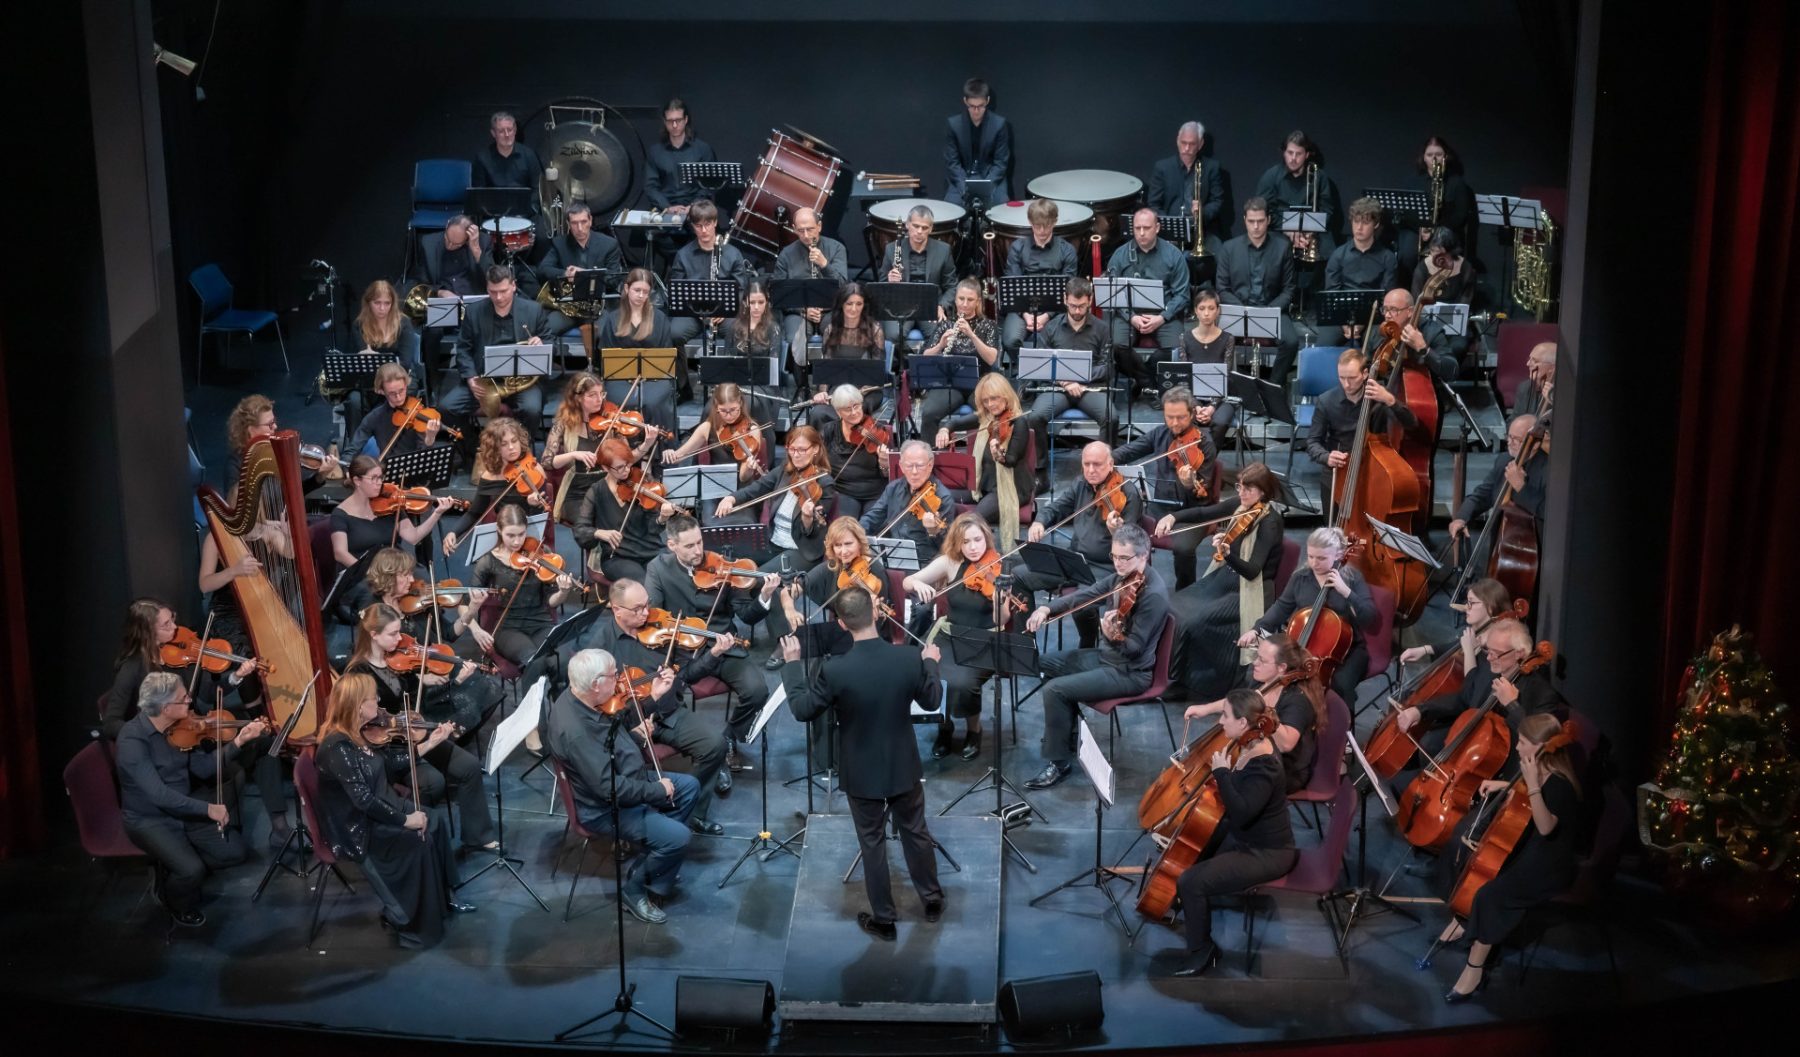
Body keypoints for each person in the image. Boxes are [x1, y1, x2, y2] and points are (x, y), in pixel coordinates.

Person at [780, 587, 946, 941]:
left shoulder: (835, 669)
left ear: (841, 624)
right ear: (876, 611)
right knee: (915, 833)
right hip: (902, 765)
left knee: (872, 844)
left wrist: (793, 666)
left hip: (861, 772)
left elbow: (802, 710)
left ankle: (884, 920)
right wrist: (930, 661)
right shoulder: (907, 658)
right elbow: (932, 701)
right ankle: (932, 901)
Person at [1436, 713, 1587, 1003]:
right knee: (1470, 857)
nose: (1518, 747)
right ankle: (1466, 922)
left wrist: (1530, 785)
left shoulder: (1560, 785)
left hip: (1549, 864)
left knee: (1491, 894)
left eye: (1525, 743)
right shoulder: (1536, 767)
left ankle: (1474, 968)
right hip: (1528, 848)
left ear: (1544, 747)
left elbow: (1545, 827)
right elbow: (1524, 798)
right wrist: (1502, 786)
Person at [314, 672, 467, 949]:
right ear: (360, 705)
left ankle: (442, 899)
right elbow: (362, 801)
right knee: (419, 840)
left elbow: (390, 764)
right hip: (360, 825)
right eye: (374, 698)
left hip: (383, 804)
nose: (379, 701)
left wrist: (430, 742)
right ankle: (411, 920)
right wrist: (406, 820)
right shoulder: (337, 747)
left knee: (435, 821)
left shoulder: (359, 732)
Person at [548, 648, 695, 925]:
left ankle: (655, 863)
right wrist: (657, 790)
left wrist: (653, 698)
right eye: (613, 675)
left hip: (625, 776)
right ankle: (634, 888)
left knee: (689, 787)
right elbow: (610, 789)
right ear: (595, 684)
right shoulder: (576, 731)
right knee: (678, 837)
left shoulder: (582, 698)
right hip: (603, 808)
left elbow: (617, 722)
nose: (619, 681)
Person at [572, 578, 735, 824]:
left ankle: (691, 812)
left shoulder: (659, 629)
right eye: (637, 609)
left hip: (667, 712)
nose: (646, 613)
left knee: (716, 746)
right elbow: (594, 701)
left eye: (647, 605)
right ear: (616, 609)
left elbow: (687, 674)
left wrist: (713, 655)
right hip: (628, 721)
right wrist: (632, 725)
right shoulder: (599, 647)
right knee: (617, 764)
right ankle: (642, 818)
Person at [1160, 688, 1297, 977]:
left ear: (1244, 723)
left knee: (1192, 881)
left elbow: (1242, 813)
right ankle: (1179, 904)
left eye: (1225, 716)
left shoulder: (1265, 766)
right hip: (1246, 838)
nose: (1220, 722)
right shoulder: (1249, 743)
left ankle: (1202, 951)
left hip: (1266, 852)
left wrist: (1222, 773)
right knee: (1193, 851)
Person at [344, 603, 500, 854]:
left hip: (414, 729)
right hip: (388, 746)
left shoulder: (398, 660)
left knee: (469, 767)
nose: (400, 639)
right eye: (393, 634)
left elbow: (420, 698)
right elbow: (360, 725)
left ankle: (477, 836)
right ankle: (424, 847)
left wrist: (453, 682)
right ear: (373, 635)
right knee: (433, 782)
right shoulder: (358, 673)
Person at [116, 672, 268, 926]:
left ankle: (172, 862)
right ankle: (174, 898)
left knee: (235, 853)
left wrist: (239, 740)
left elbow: (203, 768)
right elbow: (159, 795)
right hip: (150, 819)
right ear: (166, 708)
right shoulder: (133, 742)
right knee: (191, 870)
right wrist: (208, 809)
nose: (189, 699)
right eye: (183, 697)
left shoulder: (176, 731)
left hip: (184, 809)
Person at [1022, 524, 1168, 788]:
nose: (1118, 564)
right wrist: (1046, 608)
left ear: (1143, 556)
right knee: (1042, 663)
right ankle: (1069, 733)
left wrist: (1113, 635)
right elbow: (1085, 596)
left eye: (1125, 558)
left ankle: (1059, 762)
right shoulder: (1122, 578)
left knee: (1055, 690)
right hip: (1107, 657)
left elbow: (1135, 648)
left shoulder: (1153, 595)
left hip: (1130, 672)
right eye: (1114, 556)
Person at [643, 515, 781, 769]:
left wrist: (764, 595)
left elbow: (746, 616)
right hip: (682, 650)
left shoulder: (721, 566)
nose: (698, 551)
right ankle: (701, 752)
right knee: (667, 699)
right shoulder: (658, 569)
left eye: (699, 543)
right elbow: (653, 615)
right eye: (689, 546)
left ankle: (729, 737)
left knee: (757, 691)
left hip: (725, 645)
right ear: (672, 545)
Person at [768, 517, 895, 766]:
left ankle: (851, 746)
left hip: (867, 635)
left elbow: (879, 619)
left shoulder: (874, 569)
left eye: (848, 544)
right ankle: (825, 750)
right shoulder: (832, 567)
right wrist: (790, 609)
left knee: (830, 675)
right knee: (808, 659)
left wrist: (872, 603)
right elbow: (788, 590)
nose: (843, 551)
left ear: (860, 543)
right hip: (838, 632)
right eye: (837, 546)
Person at [344, 547, 502, 737]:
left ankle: (455, 739)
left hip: (435, 663)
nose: (412, 580)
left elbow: (450, 633)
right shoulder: (374, 611)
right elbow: (377, 663)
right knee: (466, 703)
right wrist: (421, 679)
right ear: (388, 576)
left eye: (411, 574)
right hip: (412, 682)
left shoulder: (418, 600)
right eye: (406, 575)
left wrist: (472, 610)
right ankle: (443, 742)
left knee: (489, 688)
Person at [902, 513, 1021, 758]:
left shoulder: (1000, 568)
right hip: (950, 634)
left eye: (977, 540)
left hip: (985, 638)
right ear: (958, 543)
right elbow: (907, 582)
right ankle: (944, 728)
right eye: (966, 542)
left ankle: (973, 730)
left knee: (964, 683)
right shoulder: (950, 562)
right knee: (929, 671)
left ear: (986, 538)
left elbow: (1003, 620)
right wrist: (917, 584)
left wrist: (999, 601)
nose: (973, 547)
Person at [1165, 463, 1287, 696]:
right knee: (1174, 605)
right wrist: (1173, 517)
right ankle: (1172, 673)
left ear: (1263, 491)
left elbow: (1252, 571)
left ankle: (1190, 681)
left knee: (1192, 621)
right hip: (1226, 577)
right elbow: (1203, 513)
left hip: (1249, 589)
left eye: (1248, 489)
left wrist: (1228, 554)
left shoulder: (1270, 522)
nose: (1241, 492)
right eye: (1240, 486)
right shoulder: (1242, 506)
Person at [1019, 443, 1143, 647]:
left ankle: (1088, 643)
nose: (1091, 470)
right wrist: (1039, 521)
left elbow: (1131, 545)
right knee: (1019, 576)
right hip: (1074, 561)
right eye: (1086, 464)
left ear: (1111, 464)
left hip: (1104, 568)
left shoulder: (1128, 493)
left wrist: (1116, 532)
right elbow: (1055, 508)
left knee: (1082, 604)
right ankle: (1025, 645)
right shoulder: (1081, 484)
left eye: (1097, 464)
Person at [1244, 527, 1378, 705]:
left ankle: (1339, 727)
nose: (1314, 563)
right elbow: (1281, 608)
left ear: (1338, 555)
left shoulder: (1352, 578)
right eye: (1311, 556)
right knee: (1260, 672)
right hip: (1303, 645)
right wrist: (1256, 629)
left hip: (1347, 651)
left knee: (1340, 686)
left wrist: (1345, 591)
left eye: (1322, 558)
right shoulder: (1301, 578)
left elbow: (1370, 618)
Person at [1184, 635, 1324, 793]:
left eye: (1262, 660)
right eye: (1257, 656)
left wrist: (1262, 709)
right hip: (1256, 754)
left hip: (1283, 769)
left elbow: (1286, 745)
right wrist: (1205, 709)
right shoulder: (1262, 682)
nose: (1255, 663)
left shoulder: (1297, 700)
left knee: (1222, 783)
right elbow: (1239, 702)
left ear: (1282, 668)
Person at [1112, 387, 1220, 588]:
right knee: (1129, 537)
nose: (1175, 423)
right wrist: (1105, 457)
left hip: (1191, 512)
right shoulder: (1160, 433)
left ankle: (1185, 590)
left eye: (1181, 417)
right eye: (1170, 417)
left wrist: (1189, 483)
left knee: (1183, 548)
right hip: (1159, 507)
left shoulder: (1204, 444)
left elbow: (1202, 493)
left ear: (1192, 413)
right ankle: (1139, 585)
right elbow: (1130, 451)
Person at [329, 454, 456, 615]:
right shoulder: (340, 514)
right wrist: (374, 573)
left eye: (381, 477)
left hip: (394, 571)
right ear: (357, 481)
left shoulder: (390, 504)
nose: (379, 483)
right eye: (374, 478)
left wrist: (437, 513)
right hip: (362, 576)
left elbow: (413, 536)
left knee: (423, 586)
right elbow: (340, 553)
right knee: (384, 604)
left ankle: (426, 632)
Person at [440, 265, 557, 440]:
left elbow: (550, 343)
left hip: (523, 381)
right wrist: (471, 378)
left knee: (531, 409)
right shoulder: (474, 312)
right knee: (447, 407)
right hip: (484, 380)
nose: (498, 297)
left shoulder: (533, 310)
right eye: (493, 292)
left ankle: (521, 450)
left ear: (514, 286)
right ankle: (473, 449)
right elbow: (463, 349)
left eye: (503, 291)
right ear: (487, 288)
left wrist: (542, 343)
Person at [716, 424, 835, 576]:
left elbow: (814, 530)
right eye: (792, 449)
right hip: (774, 541)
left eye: (802, 450)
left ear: (815, 449)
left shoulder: (824, 483)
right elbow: (757, 488)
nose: (796, 455)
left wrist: (807, 518)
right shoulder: (785, 471)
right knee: (731, 563)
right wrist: (731, 498)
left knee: (755, 578)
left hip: (800, 550)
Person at [934, 373, 1033, 549]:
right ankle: (939, 538)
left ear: (1005, 395)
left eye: (994, 398)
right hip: (983, 486)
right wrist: (944, 429)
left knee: (971, 521)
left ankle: (953, 551)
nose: (990, 404)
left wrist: (999, 455)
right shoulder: (986, 419)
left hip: (1009, 489)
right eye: (985, 400)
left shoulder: (1019, 423)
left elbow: (1011, 460)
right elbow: (955, 423)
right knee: (939, 494)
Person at [543, 370, 655, 523]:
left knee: (623, 519)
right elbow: (547, 462)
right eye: (592, 395)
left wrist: (647, 444)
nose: (599, 400)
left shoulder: (612, 421)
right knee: (592, 522)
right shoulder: (563, 424)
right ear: (577, 398)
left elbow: (628, 459)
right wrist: (574, 455)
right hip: (577, 491)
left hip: (609, 486)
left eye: (601, 394)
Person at [1026, 277, 1115, 468]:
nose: (1077, 311)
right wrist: (1065, 382)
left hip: (1089, 389)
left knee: (1110, 417)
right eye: (1073, 305)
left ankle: (1106, 468)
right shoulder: (1051, 328)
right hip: (1058, 389)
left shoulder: (1102, 328)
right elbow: (1042, 364)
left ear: (1090, 301)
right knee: (1035, 417)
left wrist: (1080, 381)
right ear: (1065, 299)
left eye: (1082, 306)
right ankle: (1039, 470)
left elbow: (1107, 367)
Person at [1105, 209, 1190, 394]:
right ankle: (1148, 384)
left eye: (1147, 228)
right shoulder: (1120, 255)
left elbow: (1183, 295)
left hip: (1164, 314)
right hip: (1129, 314)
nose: (1142, 233)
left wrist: (1162, 317)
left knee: (1176, 349)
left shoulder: (1173, 255)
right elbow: (1112, 294)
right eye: (1137, 228)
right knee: (1116, 346)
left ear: (1157, 227)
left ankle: (1144, 379)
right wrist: (1131, 317)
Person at [574, 437, 680, 585]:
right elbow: (580, 530)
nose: (627, 470)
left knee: (672, 578)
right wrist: (599, 533)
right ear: (605, 468)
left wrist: (662, 517)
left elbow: (653, 528)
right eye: (619, 468)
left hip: (650, 549)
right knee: (645, 583)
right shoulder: (596, 492)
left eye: (628, 464)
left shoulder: (642, 480)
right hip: (619, 557)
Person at [1215, 197, 1300, 380]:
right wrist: (1243, 311)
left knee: (1291, 341)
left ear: (1268, 220)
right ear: (1245, 220)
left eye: (1260, 221)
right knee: (1215, 339)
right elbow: (1222, 288)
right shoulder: (1229, 248)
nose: (1256, 227)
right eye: (1251, 221)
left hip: (1272, 308)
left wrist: (1268, 312)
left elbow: (1289, 289)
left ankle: (1273, 386)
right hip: (1238, 310)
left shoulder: (1283, 247)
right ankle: (1229, 387)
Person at [1447, 414, 1547, 558]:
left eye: (1517, 439)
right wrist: (1461, 518)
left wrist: (1521, 487)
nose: (1510, 443)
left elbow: (1548, 512)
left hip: (1534, 554)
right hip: (1501, 548)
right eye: (1509, 436)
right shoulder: (1504, 460)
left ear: (1536, 444)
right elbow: (1482, 495)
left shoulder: (1549, 469)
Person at [442, 418, 547, 556]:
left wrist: (533, 504)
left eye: (514, 441)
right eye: (504, 444)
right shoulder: (489, 477)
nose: (511, 447)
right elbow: (474, 513)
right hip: (504, 536)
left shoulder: (534, 470)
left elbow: (543, 514)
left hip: (529, 534)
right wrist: (453, 532)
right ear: (495, 449)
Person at [594, 267, 678, 440]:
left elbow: (666, 354)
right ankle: (621, 448)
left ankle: (659, 448)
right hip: (620, 376)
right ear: (626, 289)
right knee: (622, 400)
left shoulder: (659, 318)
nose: (641, 295)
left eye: (645, 292)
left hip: (655, 376)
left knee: (653, 402)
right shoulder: (613, 318)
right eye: (637, 290)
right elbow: (605, 355)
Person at [667, 198, 756, 359]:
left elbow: (741, 289)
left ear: (715, 223)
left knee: (737, 331)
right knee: (674, 333)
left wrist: (724, 309)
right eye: (698, 226)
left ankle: (728, 380)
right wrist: (696, 311)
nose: (704, 230)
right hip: (693, 313)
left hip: (724, 313)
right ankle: (683, 384)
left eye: (708, 224)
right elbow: (676, 289)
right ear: (693, 226)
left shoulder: (732, 254)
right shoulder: (683, 255)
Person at [1305, 348, 1419, 473]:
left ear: (1365, 374)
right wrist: (1326, 457)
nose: (1346, 384)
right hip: (1340, 469)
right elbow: (1313, 442)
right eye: (1342, 378)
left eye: (1352, 378)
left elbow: (1412, 424)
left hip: (1375, 468)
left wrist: (1391, 401)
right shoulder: (1326, 401)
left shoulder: (1381, 397)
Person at [917, 278, 1002, 441]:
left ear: (978, 301)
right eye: (961, 299)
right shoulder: (946, 325)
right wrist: (940, 345)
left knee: (992, 412)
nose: (964, 304)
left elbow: (992, 359)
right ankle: (930, 456)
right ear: (955, 299)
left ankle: (987, 457)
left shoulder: (988, 326)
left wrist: (972, 335)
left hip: (978, 384)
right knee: (929, 413)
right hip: (950, 383)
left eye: (970, 300)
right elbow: (925, 357)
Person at [1252, 130, 1343, 279]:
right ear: (1284, 152)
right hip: (1280, 230)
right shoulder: (1271, 177)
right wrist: (1288, 231)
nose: (1293, 159)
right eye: (1290, 153)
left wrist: (1309, 232)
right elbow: (1263, 211)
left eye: (1298, 154)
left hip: (1313, 232)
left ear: (1307, 155)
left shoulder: (1319, 176)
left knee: (1329, 251)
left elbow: (1327, 210)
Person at [772, 207, 849, 369]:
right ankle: (801, 386)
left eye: (810, 229)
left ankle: (830, 384)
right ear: (794, 229)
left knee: (836, 335)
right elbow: (778, 294)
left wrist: (824, 264)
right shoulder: (786, 255)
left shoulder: (836, 248)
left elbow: (844, 287)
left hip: (829, 310)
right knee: (794, 339)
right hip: (799, 312)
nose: (806, 235)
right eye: (801, 231)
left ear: (819, 226)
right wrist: (803, 310)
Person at [341, 281, 424, 431]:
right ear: (368, 303)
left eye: (387, 303)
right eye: (377, 303)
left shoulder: (403, 323)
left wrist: (376, 361)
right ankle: (356, 448)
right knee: (354, 401)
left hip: (399, 379)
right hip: (368, 382)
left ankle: (388, 444)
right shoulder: (359, 325)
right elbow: (358, 362)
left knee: (394, 398)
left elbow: (404, 363)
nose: (382, 308)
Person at [802, 282, 886, 429]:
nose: (854, 309)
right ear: (842, 304)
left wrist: (855, 395)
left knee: (852, 411)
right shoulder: (831, 330)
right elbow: (826, 370)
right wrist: (822, 393)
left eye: (859, 304)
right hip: (838, 390)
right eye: (849, 304)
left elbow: (877, 375)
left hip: (866, 391)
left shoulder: (875, 330)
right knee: (818, 413)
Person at [1000, 198, 1078, 351]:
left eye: (1047, 225)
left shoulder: (1066, 250)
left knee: (1056, 343)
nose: (1042, 231)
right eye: (1037, 226)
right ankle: (1022, 373)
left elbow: (1070, 289)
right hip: (1021, 309)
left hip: (1056, 311)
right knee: (1010, 340)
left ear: (1054, 222)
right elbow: (1013, 286)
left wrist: (1046, 316)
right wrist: (1026, 314)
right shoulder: (1017, 248)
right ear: (1030, 222)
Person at [662, 381, 769, 487]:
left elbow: (743, 477)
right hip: (714, 487)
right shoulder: (707, 427)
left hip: (741, 490)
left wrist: (749, 468)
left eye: (733, 410)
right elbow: (679, 456)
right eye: (723, 411)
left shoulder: (752, 431)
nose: (728, 416)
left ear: (740, 403)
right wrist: (671, 453)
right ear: (716, 406)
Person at [1399, 135, 1478, 279]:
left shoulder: (1457, 183)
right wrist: (1422, 228)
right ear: (1423, 157)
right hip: (1418, 229)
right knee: (1407, 254)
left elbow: (1460, 216)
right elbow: (1407, 212)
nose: (1434, 159)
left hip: (1446, 231)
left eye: (1438, 154)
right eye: (1429, 155)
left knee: (1442, 249)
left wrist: (1435, 229)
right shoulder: (1413, 182)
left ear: (1445, 156)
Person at [859, 439, 951, 557]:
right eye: (908, 466)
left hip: (924, 560)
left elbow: (947, 546)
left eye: (919, 466)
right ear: (901, 466)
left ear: (930, 465)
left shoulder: (942, 497)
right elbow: (872, 517)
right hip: (893, 554)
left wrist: (933, 532)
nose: (914, 472)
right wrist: (854, 532)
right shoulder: (893, 488)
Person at [1324, 197, 1400, 339]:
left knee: (1380, 340)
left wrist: (1362, 323)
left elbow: (1387, 297)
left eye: (1365, 223)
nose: (1359, 228)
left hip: (1374, 317)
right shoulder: (1338, 255)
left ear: (1376, 224)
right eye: (1356, 221)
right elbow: (1331, 293)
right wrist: (1344, 324)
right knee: (1325, 342)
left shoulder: (1387, 258)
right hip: (1342, 315)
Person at [881, 204, 958, 343]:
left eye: (924, 228)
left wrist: (941, 305)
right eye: (915, 226)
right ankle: (905, 364)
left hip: (931, 304)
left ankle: (925, 363)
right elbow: (880, 286)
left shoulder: (944, 250)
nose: (919, 231)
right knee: (892, 335)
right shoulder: (891, 249)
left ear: (931, 228)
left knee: (941, 336)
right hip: (902, 304)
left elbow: (952, 286)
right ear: (907, 225)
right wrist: (889, 281)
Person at [1146, 120, 1226, 249]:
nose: (1187, 148)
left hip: (1202, 229)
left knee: (1219, 254)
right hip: (1170, 231)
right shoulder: (1162, 168)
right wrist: (1170, 226)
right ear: (1178, 141)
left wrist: (1202, 213)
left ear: (1200, 144)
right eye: (1183, 143)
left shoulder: (1212, 167)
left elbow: (1217, 201)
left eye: (1192, 144)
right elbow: (1154, 203)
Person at [815, 385, 891, 519]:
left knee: (873, 524)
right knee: (846, 524)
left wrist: (884, 463)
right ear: (838, 412)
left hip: (875, 492)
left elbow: (889, 475)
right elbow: (816, 461)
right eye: (848, 409)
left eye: (857, 406)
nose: (854, 412)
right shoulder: (829, 431)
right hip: (843, 491)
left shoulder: (878, 430)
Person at [1177, 289, 1237, 448]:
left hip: (1221, 398)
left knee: (1220, 421)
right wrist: (1196, 405)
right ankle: (1190, 460)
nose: (1206, 313)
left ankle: (1206, 463)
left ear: (1218, 311)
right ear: (1196, 311)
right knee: (1182, 418)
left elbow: (1227, 377)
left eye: (1211, 308)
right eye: (1202, 308)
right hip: (1192, 396)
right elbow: (1184, 378)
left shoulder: (1228, 339)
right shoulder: (1185, 338)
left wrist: (1211, 407)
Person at [350, 363, 443, 461]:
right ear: (382, 391)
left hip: (415, 469)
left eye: (401, 390)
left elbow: (425, 458)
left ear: (406, 385)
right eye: (392, 393)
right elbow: (353, 448)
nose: (398, 397)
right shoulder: (375, 417)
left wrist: (429, 440)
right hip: (388, 471)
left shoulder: (418, 414)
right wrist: (346, 467)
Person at [943, 77, 1011, 207]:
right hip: (962, 177)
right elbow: (952, 163)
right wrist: (964, 188)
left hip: (991, 177)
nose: (976, 111)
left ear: (988, 101)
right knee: (951, 208)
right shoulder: (954, 125)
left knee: (1001, 208)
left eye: (980, 106)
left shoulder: (999, 124)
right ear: (965, 101)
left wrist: (986, 187)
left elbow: (1001, 163)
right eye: (972, 106)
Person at [644, 98, 715, 218]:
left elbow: (708, 185)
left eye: (678, 120)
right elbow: (650, 186)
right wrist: (667, 207)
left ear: (686, 119)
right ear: (664, 122)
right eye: (670, 121)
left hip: (696, 211)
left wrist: (693, 206)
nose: (674, 125)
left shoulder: (703, 149)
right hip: (665, 210)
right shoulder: (655, 152)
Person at [535, 201, 623, 297]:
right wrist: (565, 273)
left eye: (583, 222)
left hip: (600, 300)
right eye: (574, 223)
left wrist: (584, 275)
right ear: (568, 223)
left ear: (590, 221)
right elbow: (542, 270)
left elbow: (614, 278)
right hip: (570, 298)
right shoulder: (559, 243)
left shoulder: (609, 244)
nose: (580, 228)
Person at [472, 110, 546, 222]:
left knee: (543, 237)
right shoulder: (482, 158)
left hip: (525, 212)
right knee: (483, 236)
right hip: (493, 215)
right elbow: (479, 194)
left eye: (510, 130)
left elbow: (538, 188)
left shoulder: (529, 155)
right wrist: (494, 213)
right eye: (501, 131)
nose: (507, 135)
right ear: (493, 133)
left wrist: (526, 211)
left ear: (515, 130)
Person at [1378, 286, 1458, 384]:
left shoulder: (1430, 331)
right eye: (1385, 309)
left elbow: (1452, 372)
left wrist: (1423, 349)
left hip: (1426, 393)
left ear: (1410, 311)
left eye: (1394, 310)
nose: (1387, 315)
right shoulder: (1383, 332)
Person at [1514, 341, 1556, 422]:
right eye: (1529, 359)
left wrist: (1554, 401)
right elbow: (1513, 421)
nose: (1528, 364)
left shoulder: (1565, 394)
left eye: (1534, 361)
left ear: (1552, 367)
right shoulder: (1525, 388)